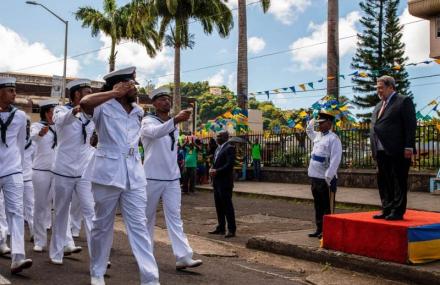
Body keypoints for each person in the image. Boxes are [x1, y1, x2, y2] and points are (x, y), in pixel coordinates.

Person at [81, 66, 159, 285]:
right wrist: (114, 93)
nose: (135, 88)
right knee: (102, 225)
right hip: (107, 172)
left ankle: (151, 279)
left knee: (139, 227)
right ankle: (97, 272)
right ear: (120, 85)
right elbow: (84, 104)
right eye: (131, 84)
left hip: (134, 173)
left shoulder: (138, 111)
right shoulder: (102, 106)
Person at [141, 86, 202, 270]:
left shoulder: (173, 125)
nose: (166, 102)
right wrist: (175, 120)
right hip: (151, 177)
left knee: (175, 217)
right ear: (154, 103)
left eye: (168, 99)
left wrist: (174, 121)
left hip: (172, 178)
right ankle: (145, 253)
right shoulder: (147, 121)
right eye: (161, 99)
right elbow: (154, 133)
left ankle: (183, 256)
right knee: (146, 217)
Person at [49, 79, 96, 265]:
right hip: (63, 170)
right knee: (61, 213)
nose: (91, 94)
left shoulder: (91, 115)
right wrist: (77, 109)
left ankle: (97, 257)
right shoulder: (62, 110)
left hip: (84, 171)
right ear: (77, 94)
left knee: (91, 213)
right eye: (88, 91)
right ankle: (56, 252)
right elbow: (60, 120)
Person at [370, 75, 416, 221]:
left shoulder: (403, 101)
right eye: (377, 88)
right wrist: (374, 149)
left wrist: (409, 147)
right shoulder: (378, 105)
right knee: (384, 181)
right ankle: (386, 208)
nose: (378, 91)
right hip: (381, 150)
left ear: (390, 87)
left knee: (398, 181)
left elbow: (410, 125)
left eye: (381, 88)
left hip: (398, 150)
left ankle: (397, 211)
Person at [0, 77, 33, 273]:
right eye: (10, 90)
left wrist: (18, 167)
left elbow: (21, 144)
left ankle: (18, 257)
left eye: (14, 90)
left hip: (13, 170)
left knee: (16, 212)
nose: (14, 94)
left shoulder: (20, 116)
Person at [306, 112, 342, 238]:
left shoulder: (334, 139)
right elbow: (309, 130)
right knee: (318, 205)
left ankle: (328, 231)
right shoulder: (318, 136)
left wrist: (329, 176)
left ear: (329, 123)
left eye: (321, 123)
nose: (319, 125)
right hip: (315, 176)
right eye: (319, 123)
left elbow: (335, 159)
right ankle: (319, 228)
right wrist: (312, 119)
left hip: (326, 178)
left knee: (327, 207)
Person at [31, 98, 59, 252]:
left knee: (58, 207)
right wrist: (41, 133)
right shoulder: (37, 126)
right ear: (45, 113)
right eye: (51, 112)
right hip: (41, 171)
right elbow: (34, 137)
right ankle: (39, 241)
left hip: (57, 172)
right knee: (40, 206)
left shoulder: (60, 128)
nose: (53, 116)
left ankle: (61, 242)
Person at [209, 131, 237, 238]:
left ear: (225, 137)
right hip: (216, 182)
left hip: (225, 182)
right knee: (219, 206)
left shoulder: (229, 148)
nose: (217, 138)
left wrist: (217, 171)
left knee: (227, 206)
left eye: (219, 136)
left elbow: (229, 165)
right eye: (217, 136)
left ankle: (231, 229)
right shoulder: (217, 148)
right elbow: (215, 162)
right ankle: (221, 227)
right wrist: (211, 168)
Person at [23, 117, 35, 241]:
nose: (26, 127)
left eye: (28, 125)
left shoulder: (33, 142)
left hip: (28, 178)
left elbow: (34, 160)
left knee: (31, 206)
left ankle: (33, 232)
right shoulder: (10, 139)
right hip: (11, 176)